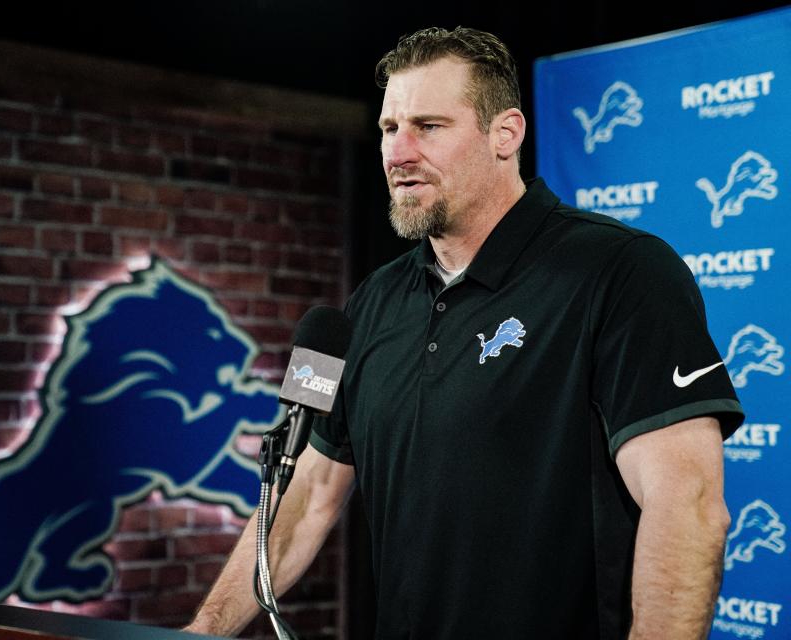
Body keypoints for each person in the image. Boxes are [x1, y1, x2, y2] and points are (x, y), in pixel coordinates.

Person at [185, 27, 743, 639]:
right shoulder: (371, 303)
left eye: (428, 126)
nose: (398, 154)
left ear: (505, 134)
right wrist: (201, 632)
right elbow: (310, 493)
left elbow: (686, 506)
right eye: (389, 128)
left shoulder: (621, 271)